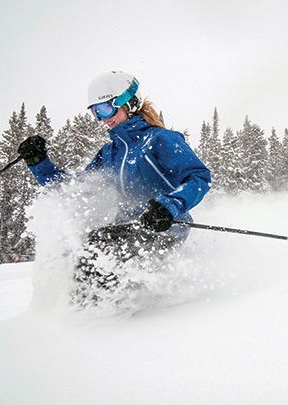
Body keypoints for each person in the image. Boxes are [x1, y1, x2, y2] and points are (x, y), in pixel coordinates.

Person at [17, 71, 211, 305]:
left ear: (128, 103)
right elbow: (77, 190)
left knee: (99, 245)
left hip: (165, 225)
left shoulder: (160, 139)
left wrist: (169, 206)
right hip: (127, 226)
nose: (102, 118)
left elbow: (199, 177)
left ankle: (94, 316)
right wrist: (40, 164)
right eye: (95, 112)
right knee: (81, 249)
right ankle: (87, 312)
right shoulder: (109, 154)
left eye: (106, 109)